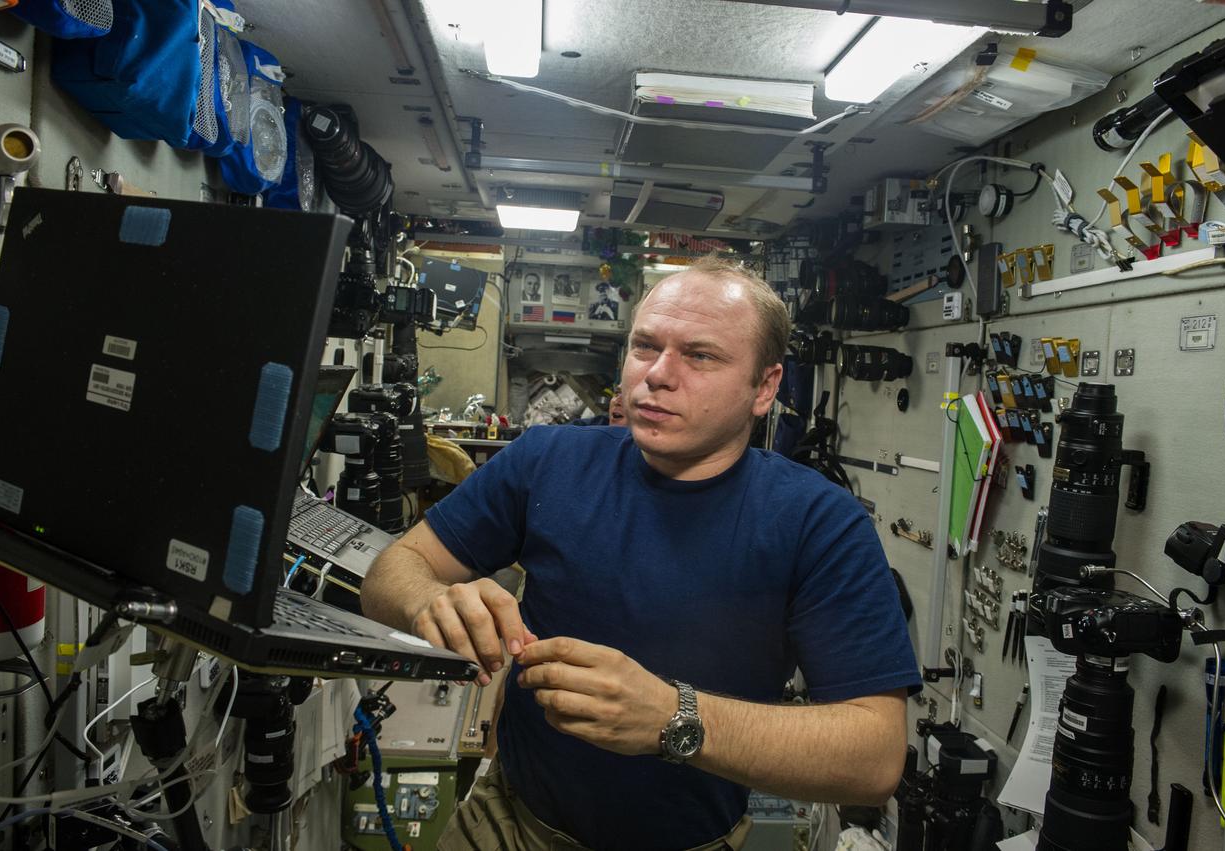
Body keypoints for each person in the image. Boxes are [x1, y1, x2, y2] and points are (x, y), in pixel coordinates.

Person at [361, 256, 920, 851]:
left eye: (700, 356)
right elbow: (390, 573)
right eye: (645, 346)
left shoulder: (819, 522)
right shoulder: (546, 461)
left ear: (765, 388)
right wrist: (429, 602)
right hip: (509, 825)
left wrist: (671, 718)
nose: (658, 374)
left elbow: (874, 759)